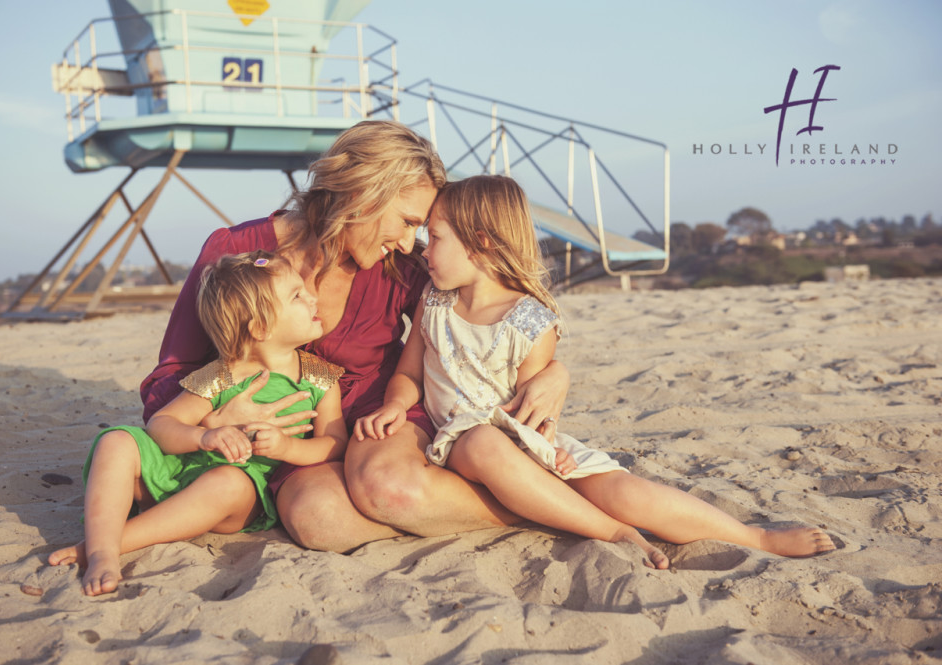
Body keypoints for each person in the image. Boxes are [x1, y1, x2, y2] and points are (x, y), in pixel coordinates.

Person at [355, 175, 837, 569]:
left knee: (625, 490)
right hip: (462, 441)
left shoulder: (530, 320)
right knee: (480, 441)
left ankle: (755, 537)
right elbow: (409, 372)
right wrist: (397, 404)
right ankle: (614, 532)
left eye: (434, 237)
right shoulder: (434, 301)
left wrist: (545, 448)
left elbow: (536, 405)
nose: (422, 249)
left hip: (522, 441)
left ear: (479, 245)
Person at [139, 120, 571, 553]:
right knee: (318, 520)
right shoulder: (238, 253)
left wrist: (556, 372)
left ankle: (540, 502)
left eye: (418, 229)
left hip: (379, 418)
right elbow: (172, 371)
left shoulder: (405, 269)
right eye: (405, 222)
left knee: (390, 488)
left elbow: (493, 309)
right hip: (289, 446)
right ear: (365, 193)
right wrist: (213, 420)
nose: (407, 243)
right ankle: (520, 503)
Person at [49, 251, 348, 595]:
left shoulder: (319, 378)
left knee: (228, 482)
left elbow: (335, 442)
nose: (312, 297)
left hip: (238, 494)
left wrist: (288, 447)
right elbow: (162, 425)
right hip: (178, 473)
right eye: (297, 295)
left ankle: (104, 547)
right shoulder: (222, 374)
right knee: (115, 441)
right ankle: (104, 549)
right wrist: (205, 437)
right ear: (261, 327)